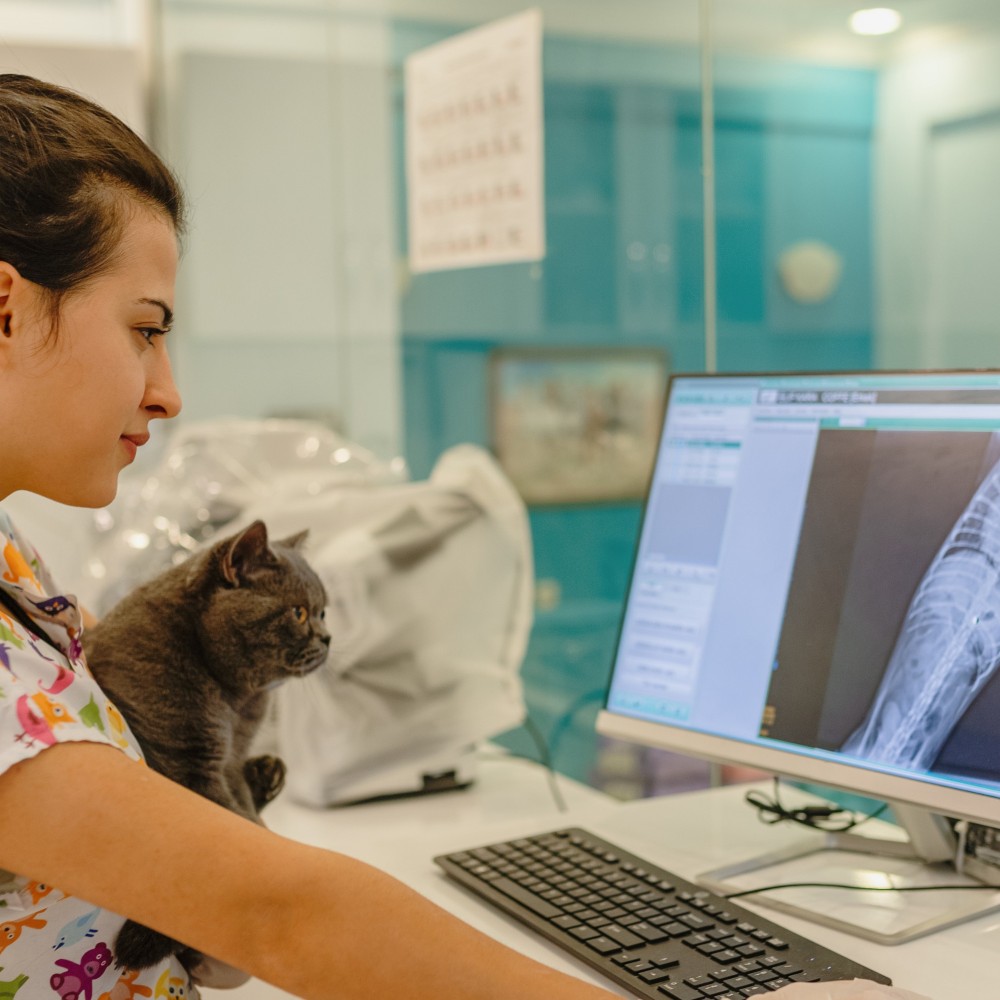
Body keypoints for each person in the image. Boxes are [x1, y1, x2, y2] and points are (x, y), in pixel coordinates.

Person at [0, 74, 931, 1000]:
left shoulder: (14, 559)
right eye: (145, 330)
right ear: (5, 308)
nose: (168, 392)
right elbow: (282, 914)